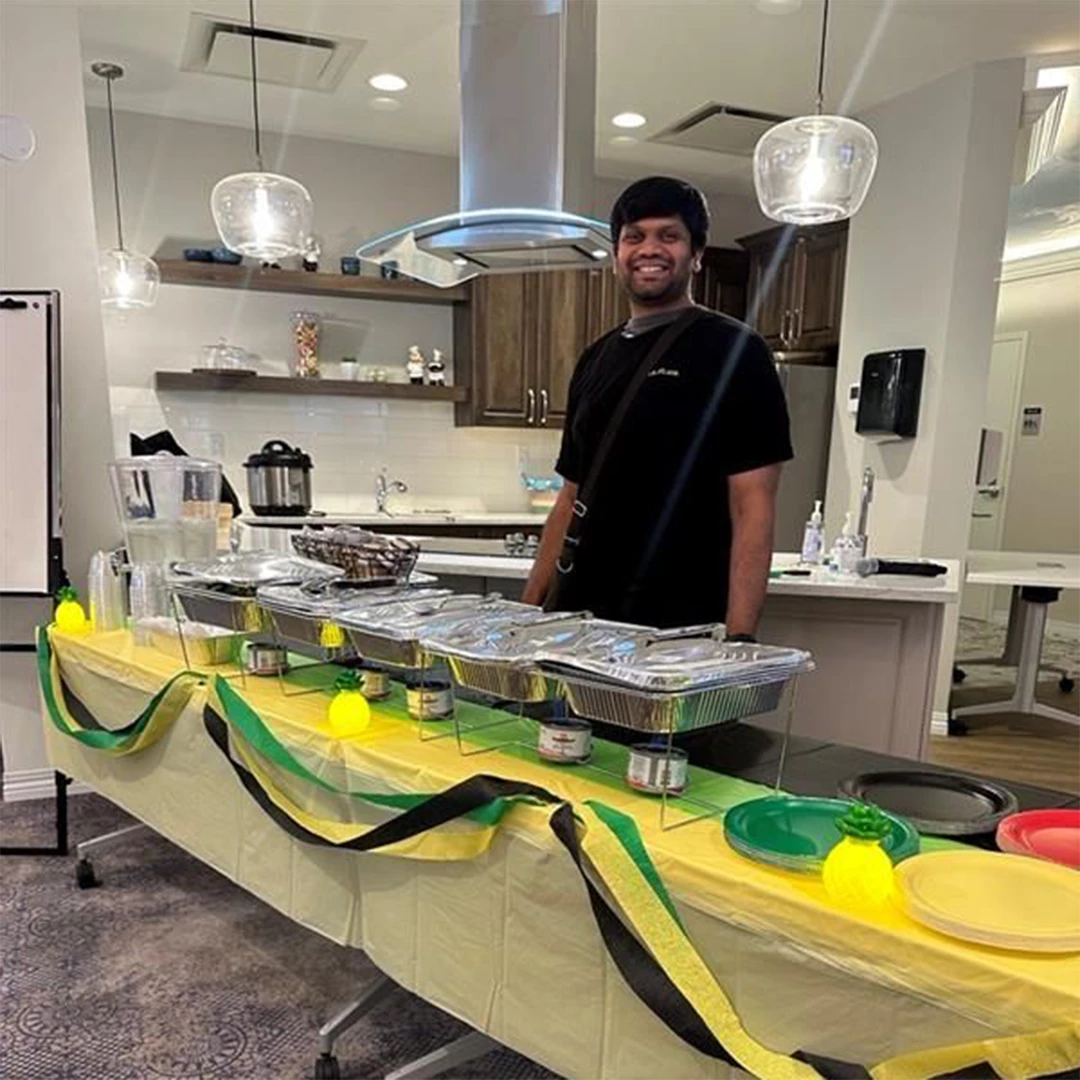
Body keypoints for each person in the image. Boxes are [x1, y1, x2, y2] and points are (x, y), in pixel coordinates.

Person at [522, 176, 792, 637]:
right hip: (581, 618)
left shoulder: (735, 351)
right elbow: (570, 498)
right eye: (634, 237)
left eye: (669, 235)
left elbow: (753, 504)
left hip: (680, 623)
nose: (650, 249)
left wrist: (741, 636)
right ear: (616, 256)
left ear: (697, 253)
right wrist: (525, 615)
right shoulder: (596, 357)